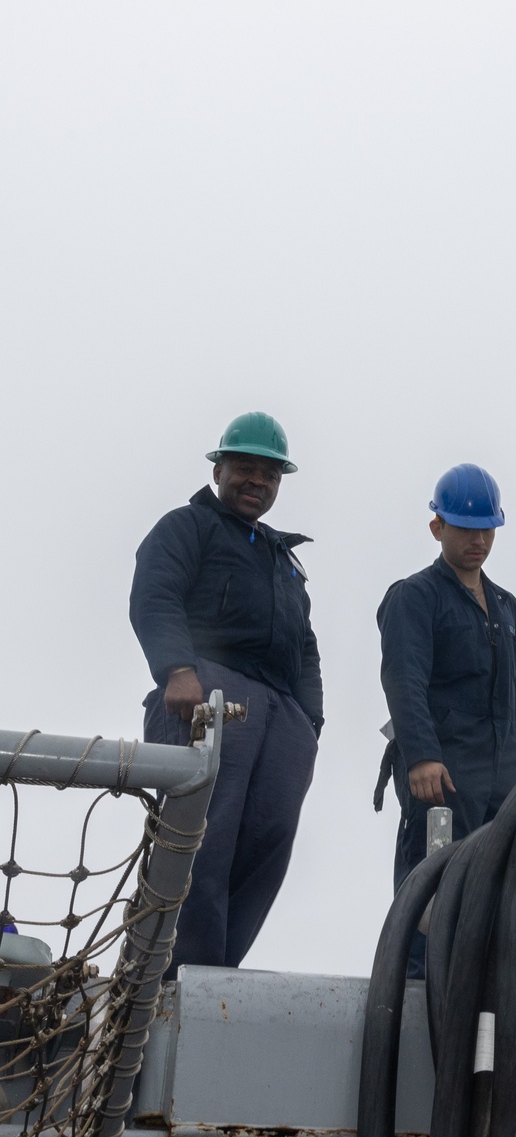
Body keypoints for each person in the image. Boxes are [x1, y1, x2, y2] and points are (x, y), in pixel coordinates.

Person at [130, 412, 323, 973]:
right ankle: (171, 977)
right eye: (245, 468)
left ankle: (218, 977)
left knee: (267, 845)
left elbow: (306, 646)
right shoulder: (187, 527)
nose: (257, 481)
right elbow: (155, 595)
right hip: (208, 692)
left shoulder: (283, 559)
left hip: (281, 714)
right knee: (202, 843)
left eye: (269, 473)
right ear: (219, 468)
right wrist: (177, 670)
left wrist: (309, 723)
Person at [376, 464, 516, 975]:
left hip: (501, 781)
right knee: (428, 898)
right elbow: (404, 680)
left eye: (488, 527)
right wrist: (422, 756)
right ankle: (415, 1001)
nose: (479, 539)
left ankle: (487, 1010)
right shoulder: (415, 596)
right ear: (437, 527)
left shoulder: (507, 606)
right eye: (466, 528)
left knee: (495, 902)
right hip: (441, 778)